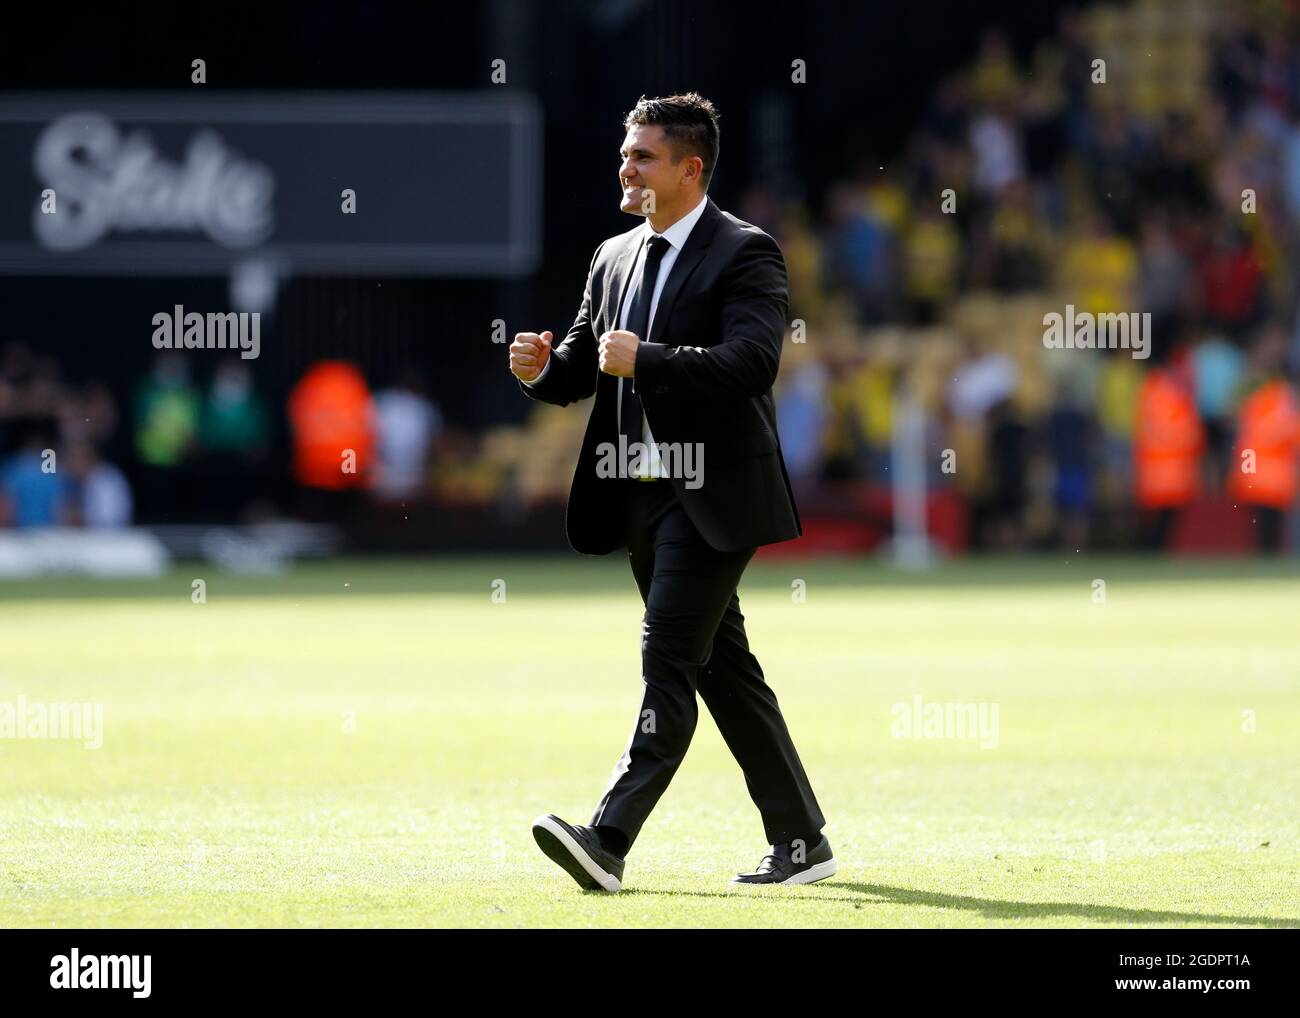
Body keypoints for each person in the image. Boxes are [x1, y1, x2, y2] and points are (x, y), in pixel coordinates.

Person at [509, 93, 832, 892]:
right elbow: (585, 367)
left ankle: (608, 839)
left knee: (666, 656)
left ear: (691, 168)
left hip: (712, 490)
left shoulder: (747, 252)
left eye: (643, 156)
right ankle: (802, 841)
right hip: (640, 493)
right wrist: (541, 370)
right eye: (625, 153)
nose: (626, 167)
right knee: (723, 668)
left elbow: (753, 364)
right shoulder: (613, 256)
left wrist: (647, 358)